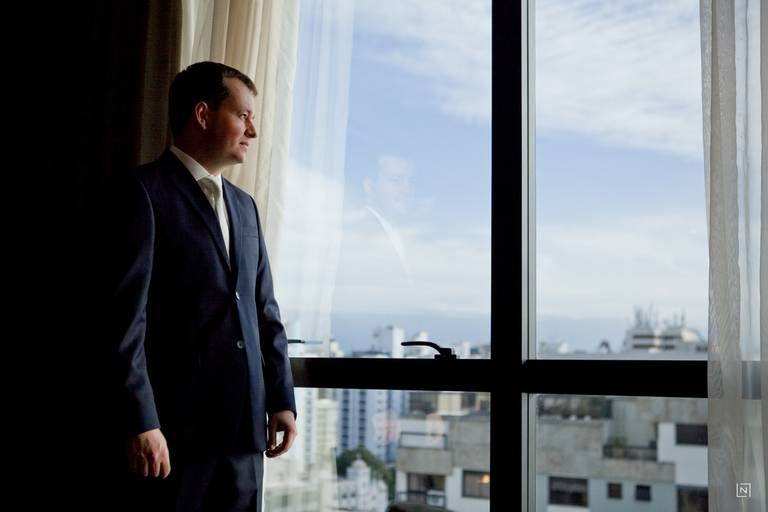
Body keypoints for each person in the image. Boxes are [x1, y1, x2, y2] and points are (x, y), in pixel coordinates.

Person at [101, 61, 297, 511]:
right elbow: (124, 322)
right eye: (242, 115)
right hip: (174, 437)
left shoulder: (246, 207)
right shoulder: (142, 192)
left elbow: (264, 309)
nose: (253, 130)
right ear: (204, 115)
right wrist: (141, 421)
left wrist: (281, 399)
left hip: (246, 436)